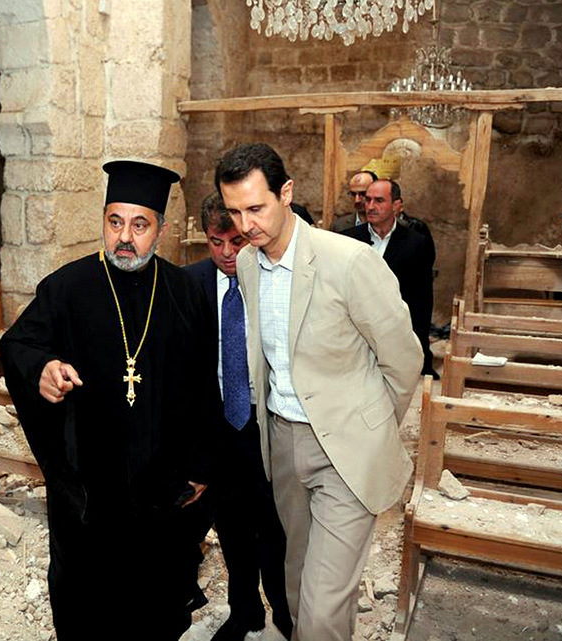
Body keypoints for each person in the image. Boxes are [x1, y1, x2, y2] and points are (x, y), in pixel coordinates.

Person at [0, 160, 223, 640]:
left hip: (161, 487)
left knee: (155, 601)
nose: (125, 236)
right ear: (103, 221)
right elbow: (18, 344)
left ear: (159, 230)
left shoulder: (185, 293)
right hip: (89, 484)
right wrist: (43, 369)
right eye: (115, 221)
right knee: (85, 601)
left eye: (139, 224)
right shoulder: (66, 287)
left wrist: (202, 467)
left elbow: (208, 382)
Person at [215, 143, 421, 641]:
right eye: (235, 211)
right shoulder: (246, 265)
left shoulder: (348, 261)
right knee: (296, 581)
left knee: (323, 606)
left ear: (286, 194)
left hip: (345, 452)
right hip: (282, 445)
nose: (246, 225)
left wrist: (368, 426)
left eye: (256, 208)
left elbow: (404, 358)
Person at [184, 193, 292, 641]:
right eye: (216, 243)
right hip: (218, 430)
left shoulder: (271, 277)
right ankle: (244, 610)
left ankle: (287, 616)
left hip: (266, 423)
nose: (228, 253)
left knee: (275, 530)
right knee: (230, 529)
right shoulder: (188, 283)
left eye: (236, 241)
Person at [342, 179, 435, 378]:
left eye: (378, 201)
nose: (370, 206)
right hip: (355, 338)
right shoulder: (347, 239)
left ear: (396, 205)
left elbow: (421, 300)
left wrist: (419, 350)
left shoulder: (416, 243)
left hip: (395, 336)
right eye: (368, 200)